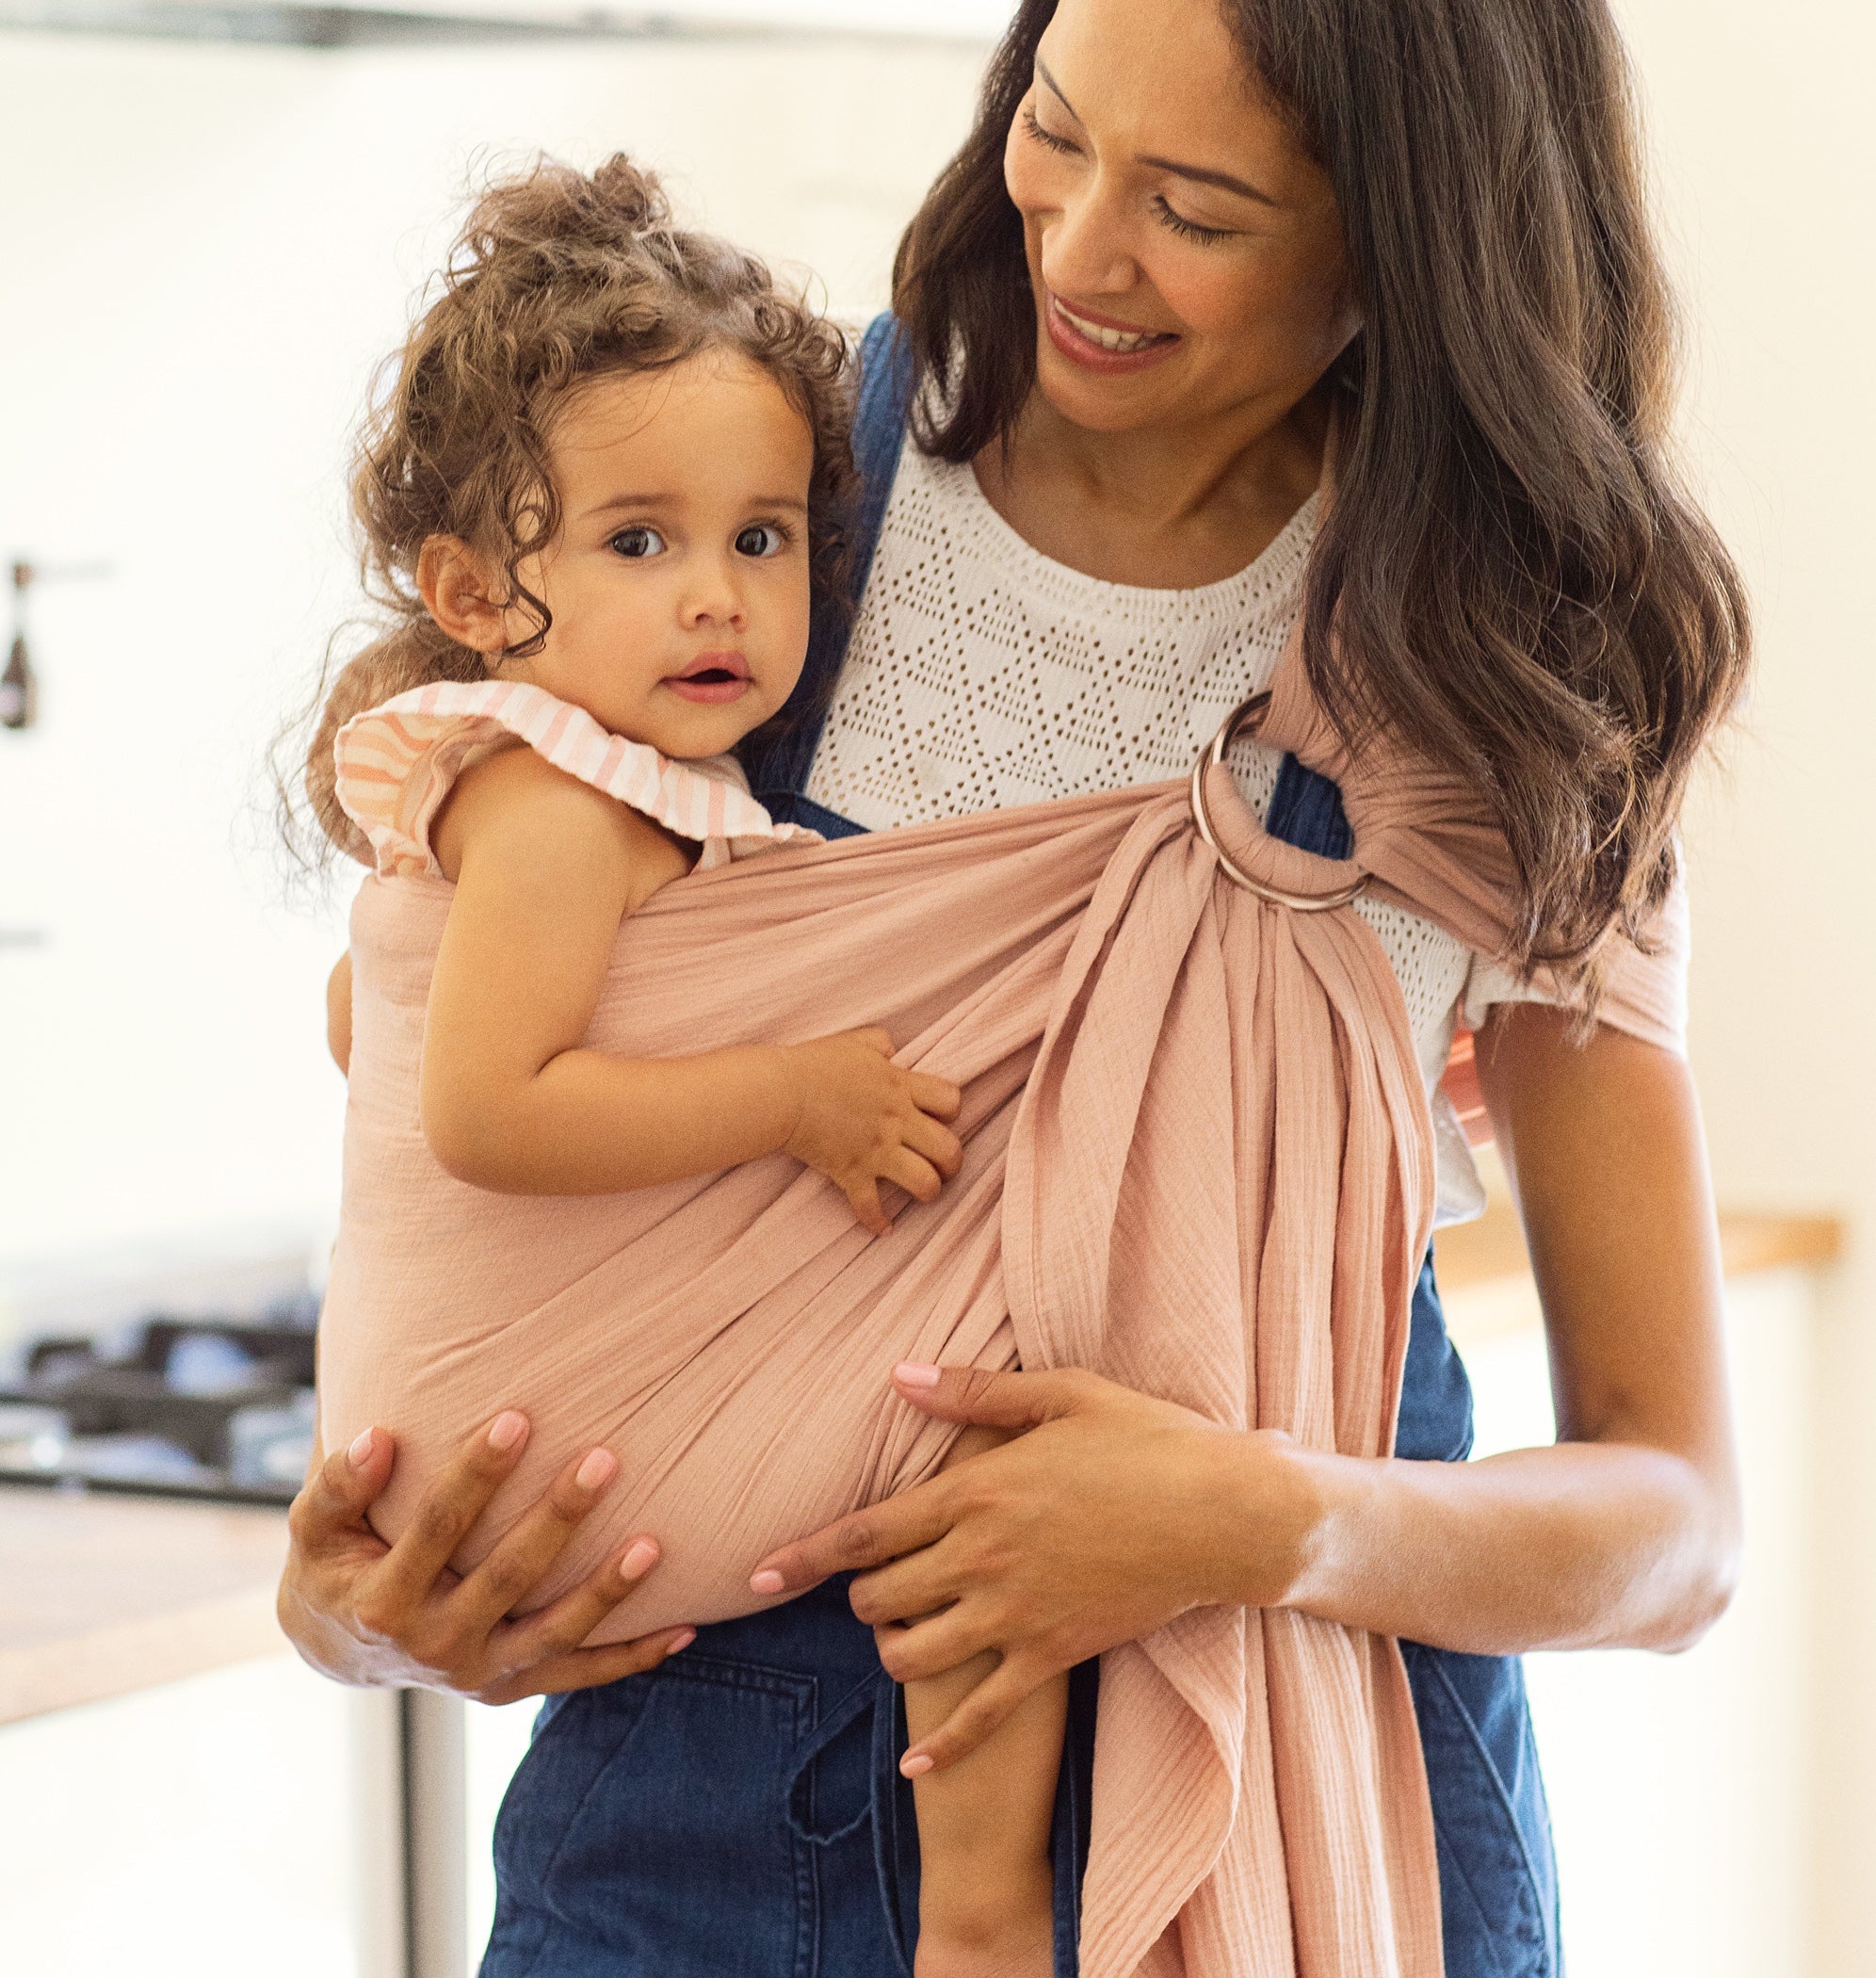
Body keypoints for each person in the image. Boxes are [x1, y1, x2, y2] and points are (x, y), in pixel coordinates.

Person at [279, 1, 1749, 1972]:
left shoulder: (1521, 675)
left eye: (1199, 211)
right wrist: (363, 1602)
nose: (1073, 250)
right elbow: (434, 1061)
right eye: (1054, 136)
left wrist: (1261, 1519)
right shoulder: (772, 494)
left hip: (1319, 1782)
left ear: (1409, 235)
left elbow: (1676, 1526)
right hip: (709, 1812)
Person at [304, 157, 1077, 1978]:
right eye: (638, 542)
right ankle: (983, 1909)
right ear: (479, 589)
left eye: (766, 536)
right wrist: (797, 1096)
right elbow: (482, 1110)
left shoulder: (600, 794)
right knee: (984, 1415)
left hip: (489, 1494)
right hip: (519, 1487)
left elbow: (369, 1030)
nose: (720, 598)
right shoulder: (565, 799)